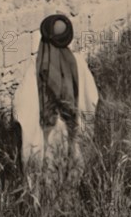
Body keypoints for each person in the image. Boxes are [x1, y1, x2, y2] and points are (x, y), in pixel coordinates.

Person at [13, 14, 99, 176]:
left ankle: (48, 201)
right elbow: (92, 96)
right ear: (67, 37)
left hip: (47, 128)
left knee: (48, 171)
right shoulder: (78, 62)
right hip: (72, 124)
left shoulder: (36, 66)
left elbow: (22, 103)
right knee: (72, 167)